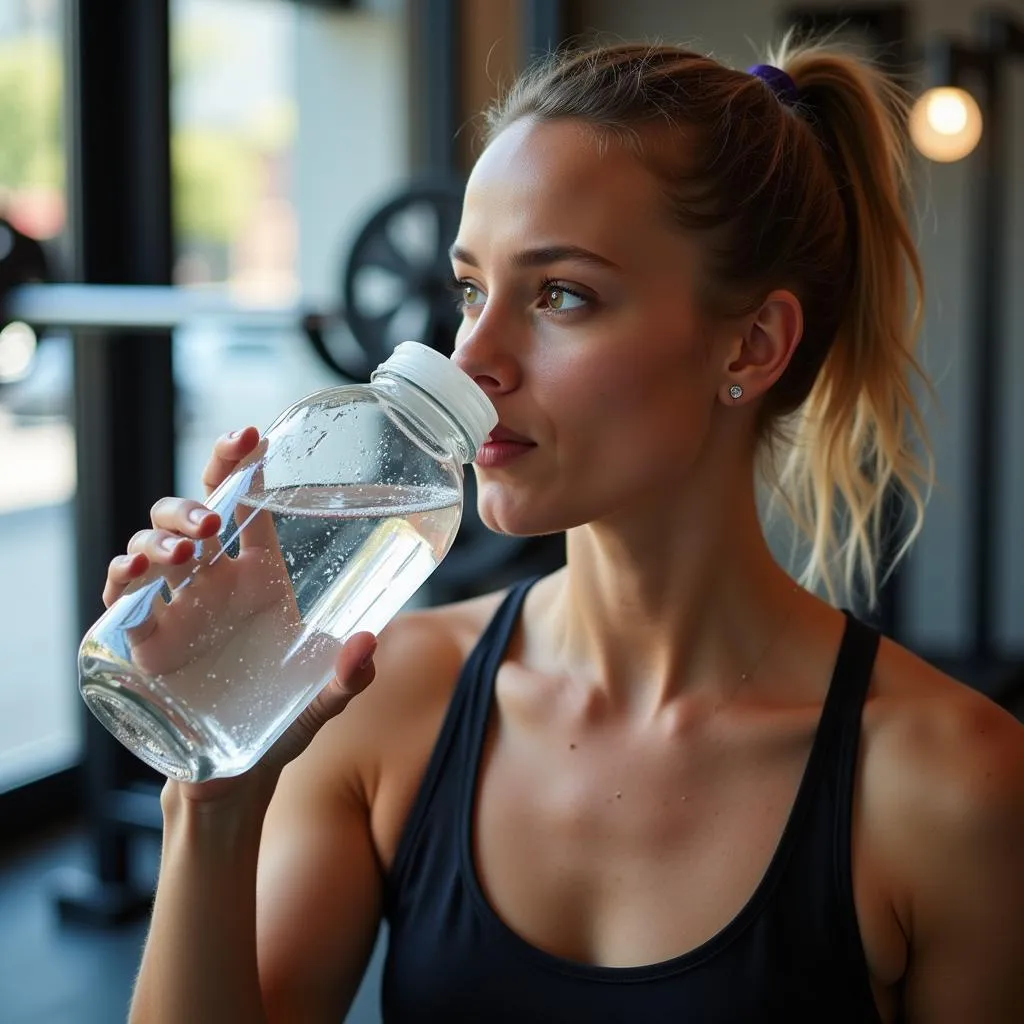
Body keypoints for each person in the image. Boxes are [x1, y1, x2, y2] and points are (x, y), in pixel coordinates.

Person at [115, 35, 1023, 1024]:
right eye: (471, 291)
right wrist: (212, 795)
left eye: (561, 295)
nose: (471, 357)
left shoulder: (949, 785)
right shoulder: (380, 696)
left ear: (751, 345)